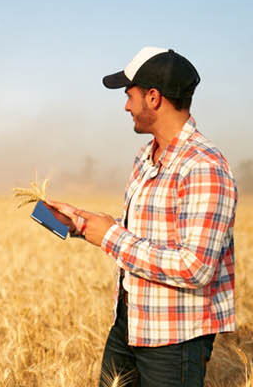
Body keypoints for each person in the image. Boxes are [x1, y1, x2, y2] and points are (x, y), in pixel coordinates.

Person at [47, 47, 237, 387]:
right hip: (130, 320)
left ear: (153, 97)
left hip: (173, 338)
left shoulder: (203, 166)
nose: (126, 106)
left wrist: (109, 236)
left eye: (129, 95)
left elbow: (195, 267)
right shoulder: (145, 156)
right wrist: (82, 225)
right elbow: (142, 236)